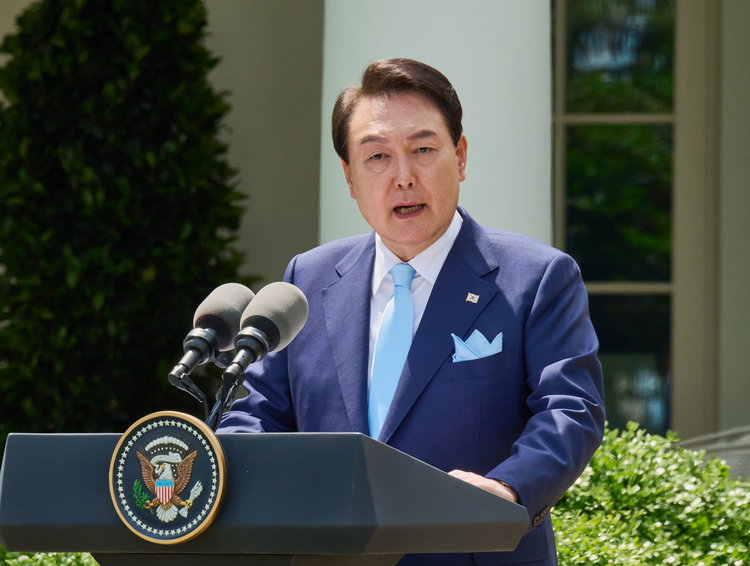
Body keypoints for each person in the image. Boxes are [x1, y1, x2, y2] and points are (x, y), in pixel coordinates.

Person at [219, 58, 605, 566]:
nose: (403, 177)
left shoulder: (537, 278)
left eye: (423, 150)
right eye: (376, 156)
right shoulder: (306, 281)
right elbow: (256, 414)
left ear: (461, 156)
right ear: (350, 178)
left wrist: (507, 489)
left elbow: (571, 409)